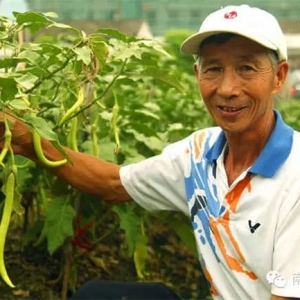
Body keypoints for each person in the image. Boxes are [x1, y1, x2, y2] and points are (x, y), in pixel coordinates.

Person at [1, 4, 300, 300]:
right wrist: (28, 142)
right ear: (197, 74)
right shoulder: (198, 153)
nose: (227, 88)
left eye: (246, 68)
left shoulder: (295, 175)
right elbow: (112, 183)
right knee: (97, 295)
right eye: (214, 69)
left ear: (278, 76)